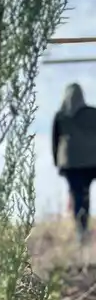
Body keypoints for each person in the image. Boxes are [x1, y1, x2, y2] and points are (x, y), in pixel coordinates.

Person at [52, 83, 96, 243]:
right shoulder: (92, 112)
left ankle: (81, 230)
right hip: (92, 162)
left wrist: (57, 163)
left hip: (71, 164)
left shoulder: (61, 116)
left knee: (77, 194)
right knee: (85, 194)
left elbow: (55, 141)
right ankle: (83, 228)